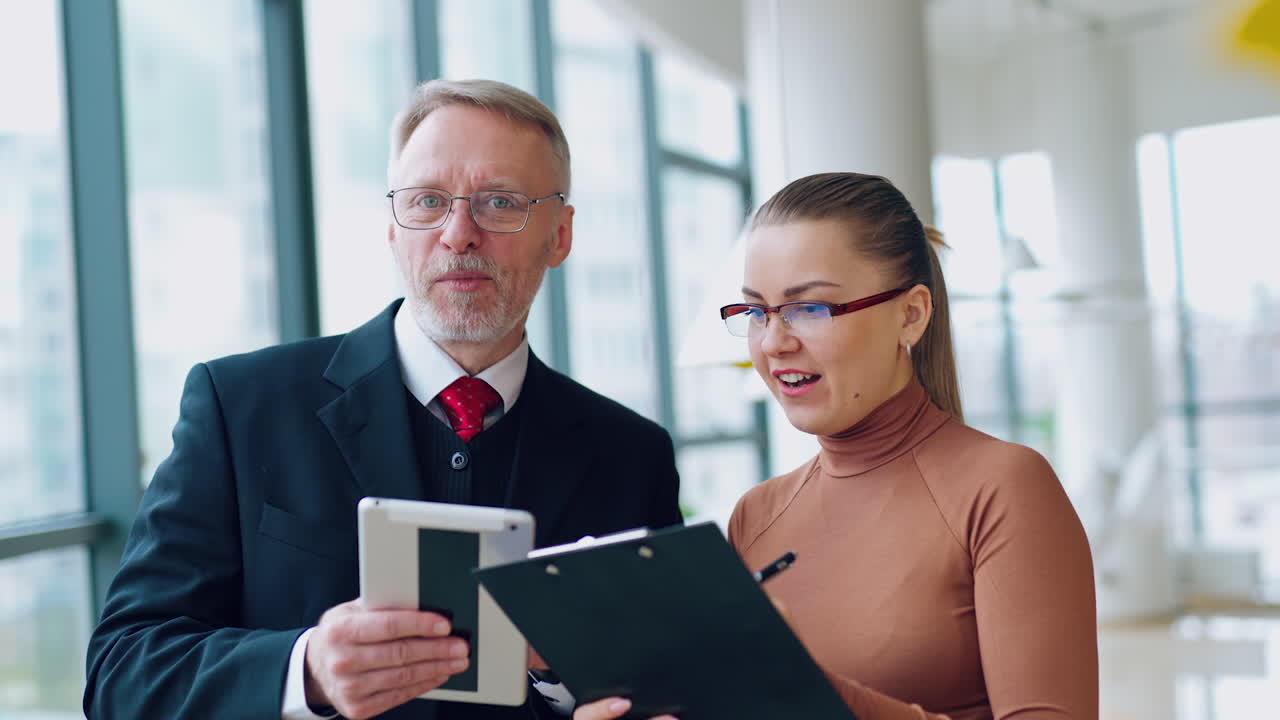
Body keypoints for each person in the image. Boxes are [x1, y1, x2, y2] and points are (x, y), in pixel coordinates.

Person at [83, 79, 682, 720]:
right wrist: (306, 669)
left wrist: (576, 677)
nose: (459, 234)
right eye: (427, 201)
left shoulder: (631, 453)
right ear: (393, 228)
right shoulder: (239, 407)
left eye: (500, 203)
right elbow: (122, 673)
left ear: (559, 237)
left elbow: (669, 682)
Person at [575, 172, 1097, 720]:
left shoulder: (1004, 486)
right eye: (756, 311)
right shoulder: (757, 516)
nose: (775, 341)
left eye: (810, 308)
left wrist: (813, 690)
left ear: (911, 315)